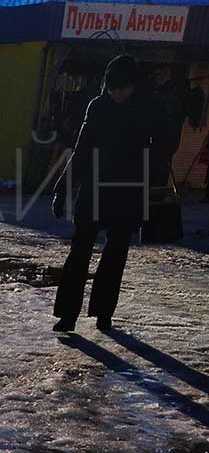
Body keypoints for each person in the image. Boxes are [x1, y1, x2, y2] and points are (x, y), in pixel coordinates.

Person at [51, 55, 153, 333]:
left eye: (123, 87)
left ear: (134, 85)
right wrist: (62, 190)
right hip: (93, 191)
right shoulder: (97, 108)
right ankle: (68, 315)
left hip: (127, 193)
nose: (117, 93)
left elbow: (157, 156)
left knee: (115, 254)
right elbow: (81, 151)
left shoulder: (146, 110)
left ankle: (103, 313)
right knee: (79, 252)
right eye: (112, 87)